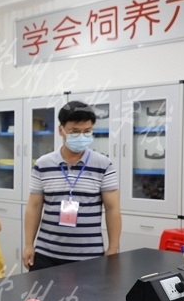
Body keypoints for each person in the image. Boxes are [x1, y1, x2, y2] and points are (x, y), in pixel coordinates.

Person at [23, 100, 122, 271]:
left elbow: (112, 209)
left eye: (87, 131)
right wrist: (28, 245)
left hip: (89, 256)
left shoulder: (104, 165)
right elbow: (34, 206)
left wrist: (113, 248)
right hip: (46, 254)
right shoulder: (43, 164)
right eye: (75, 131)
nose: (81, 136)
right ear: (61, 130)